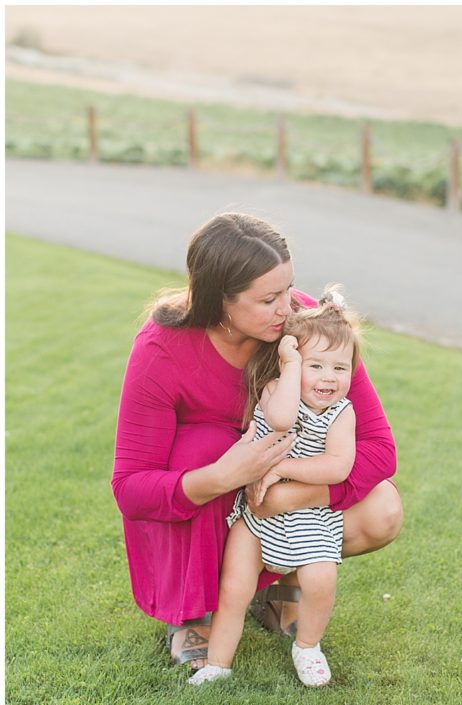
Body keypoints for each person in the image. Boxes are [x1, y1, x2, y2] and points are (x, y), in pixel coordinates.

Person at [111, 212, 402, 670]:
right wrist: (222, 475)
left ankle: (283, 579)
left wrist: (286, 492)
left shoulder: (310, 329)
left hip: (280, 492)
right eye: (269, 299)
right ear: (219, 300)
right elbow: (130, 487)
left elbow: (380, 449)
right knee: (203, 447)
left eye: (289, 288)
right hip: (212, 496)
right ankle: (193, 612)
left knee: (384, 508)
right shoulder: (161, 350)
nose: (289, 308)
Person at [190, 289, 361, 686]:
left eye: (340, 368)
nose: (328, 378)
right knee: (234, 588)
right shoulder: (275, 390)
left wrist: (280, 466)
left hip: (310, 517)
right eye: (315, 365)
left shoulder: (341, 413)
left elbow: (338, 466)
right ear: (292, 363)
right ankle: (218, 663)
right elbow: (282, 420)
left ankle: (307, 645)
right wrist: (289, 365)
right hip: (256, 519)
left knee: (321, 579)